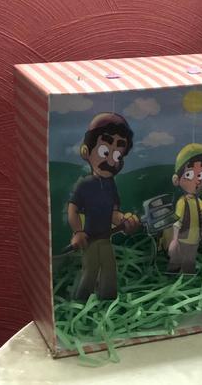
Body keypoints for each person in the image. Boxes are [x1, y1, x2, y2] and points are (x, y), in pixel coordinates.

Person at [68, 113, 139, 301]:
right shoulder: (84, 184)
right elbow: (73, 209)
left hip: (105, 238)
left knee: (109, 269)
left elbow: (113, 212)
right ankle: (81, 301)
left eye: (117, 155)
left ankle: (107, 300)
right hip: (90, 239)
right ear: (86, 151)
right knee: (90, 269)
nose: (111, 161)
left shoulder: (110, 185)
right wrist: (78, 232)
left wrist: (124, 220)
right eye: (105, 152)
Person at [167, 143, 202, 274]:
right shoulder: (182, 202)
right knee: (177, 258)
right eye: (189, 175)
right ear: (176, 180)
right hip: (182, 238)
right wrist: (174, 240)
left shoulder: (198, 201)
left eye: (201, 176)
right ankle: (172, 273)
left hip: (194, 239)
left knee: (190, 260)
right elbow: (177, 222)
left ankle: (187, 277)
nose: (197, 181)